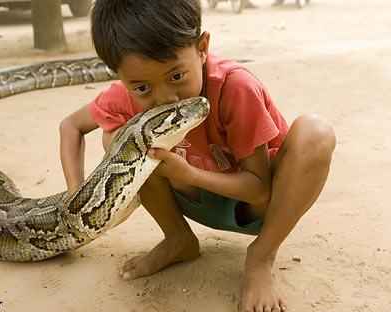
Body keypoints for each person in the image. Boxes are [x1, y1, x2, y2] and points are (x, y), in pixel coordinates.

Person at [59, 0, 336, 311]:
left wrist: (187, 174)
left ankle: (261, 257)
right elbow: (71, 126)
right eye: (141, 87)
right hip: (190, 197)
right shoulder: (127, 94)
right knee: (117, 138)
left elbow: (260, 188)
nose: (164, 98)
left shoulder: (235, 87)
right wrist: (76, 196)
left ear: (203, 47)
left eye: (176, 76)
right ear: (120, 76)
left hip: (257, 206)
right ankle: (178, 239)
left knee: (316, 133)